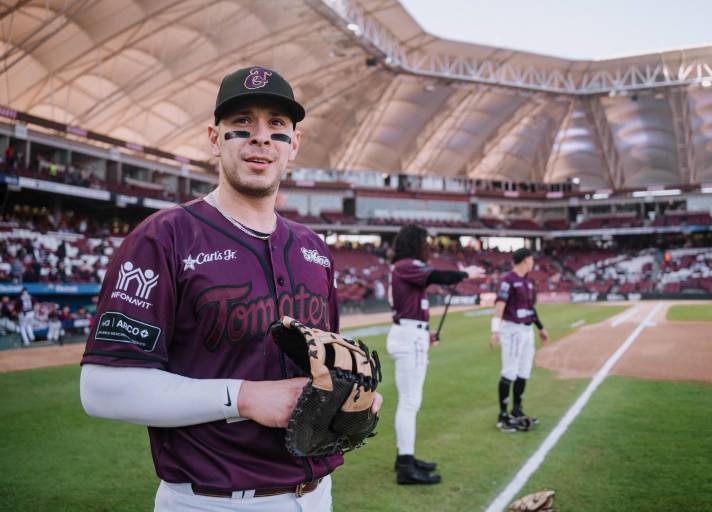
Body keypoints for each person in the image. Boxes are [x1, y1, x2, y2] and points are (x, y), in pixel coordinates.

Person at [79, 65, 381, 512]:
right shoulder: (163, 237)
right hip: (213, 502)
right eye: (241, 124)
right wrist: (242, 397)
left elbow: (321, 364)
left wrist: (347, 397)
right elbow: (101, 388)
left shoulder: (314, 248)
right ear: (214, 138)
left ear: (294, 144)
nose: (260, 137)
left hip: (317, 496)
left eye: (276, 125)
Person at [387, 224, 484, 485]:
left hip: (411, 333)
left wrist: (426, 334)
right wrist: (465, 273)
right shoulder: (407, 264)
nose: (428, 245)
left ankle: (404, 457)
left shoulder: (405, 266)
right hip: (408, 336)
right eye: (425, 241)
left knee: (408, 401)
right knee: (409, 402)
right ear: (416, 242)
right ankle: (406, 465)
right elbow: (439, 276)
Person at [490, 248, 549, 433]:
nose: (533, 262)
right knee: (509, 372)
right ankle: (502, 416)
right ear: (525, 260)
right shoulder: (508, 281)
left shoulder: (528, 283)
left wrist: (540, 327)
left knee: (524, 372)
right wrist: (495, 331)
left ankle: (516, 410)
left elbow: (531, 308)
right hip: (513, 330)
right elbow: (500, 306)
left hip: (527, 330)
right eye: (531, 259)